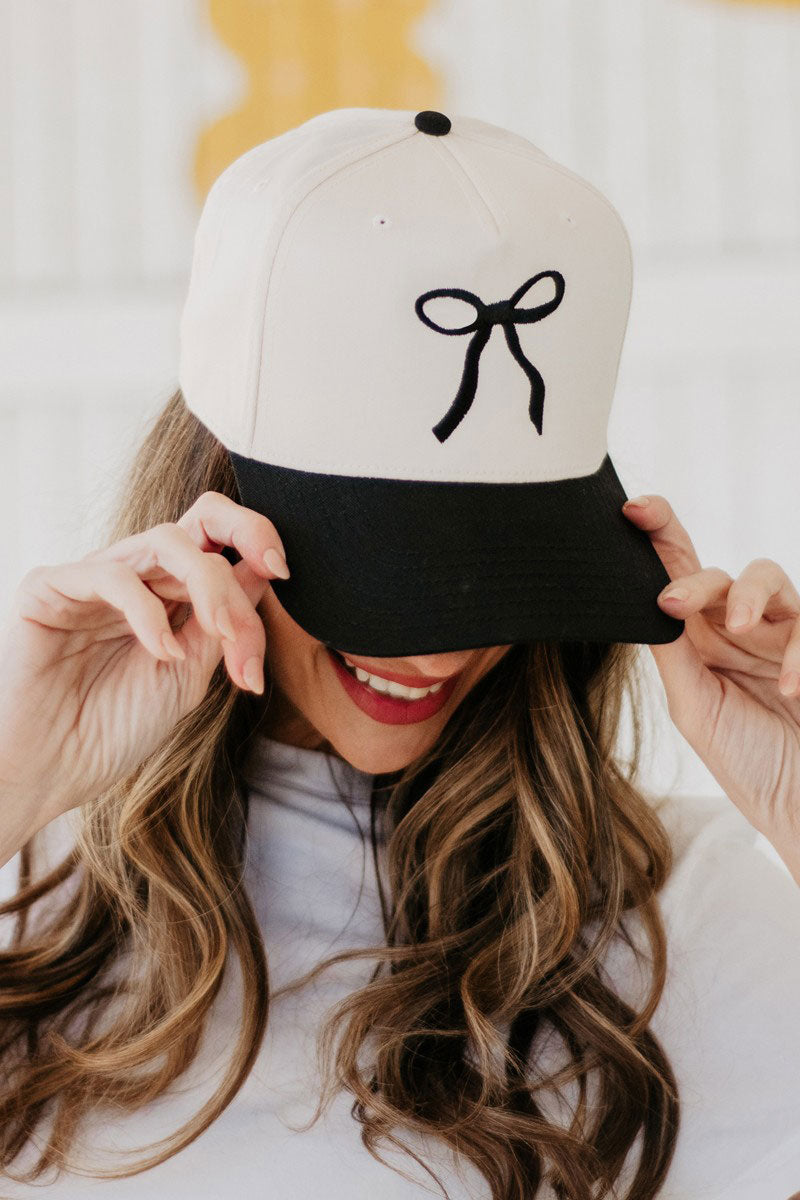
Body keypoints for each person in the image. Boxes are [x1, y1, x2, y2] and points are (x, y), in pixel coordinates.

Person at [0, 107, 799, 1200]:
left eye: (506, 567)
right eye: (388, 565)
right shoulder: (29, 891)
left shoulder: (687, 913)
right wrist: (14, 777)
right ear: (216, 503)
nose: (447, 646)